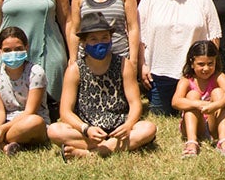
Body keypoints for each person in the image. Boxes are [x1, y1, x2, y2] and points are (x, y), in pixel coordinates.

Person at [48, 13, 157, 159]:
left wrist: (128, 125)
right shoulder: (75, 70)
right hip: (88, 129)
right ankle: (114, 147)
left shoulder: (124, 65)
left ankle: (89, 153)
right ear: (84, 42)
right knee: (54, 130)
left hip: (118, 128)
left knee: (148, 128)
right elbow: (66, 112)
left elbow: (135, 103)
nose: (100, 43)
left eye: (105, 37)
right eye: (93, 39)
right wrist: (86, 129)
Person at [139, 0, 221, 116]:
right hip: (160, 73)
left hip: (195, 74)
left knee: (196, 112)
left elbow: (214, 34)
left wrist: (210, 68)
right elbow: (140, 35)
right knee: (161, 113)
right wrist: (142, 65)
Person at [172, 40, 225, 157]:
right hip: (193, 126)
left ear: (216, 62)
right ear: (192, 63)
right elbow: (175, 101)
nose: (206, 68)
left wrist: (215, 105)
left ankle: (223, 141)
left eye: (210, 63)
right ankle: (192, 143)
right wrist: (198, 104)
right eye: (201, 64)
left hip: (213, 125)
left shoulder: (219, 76)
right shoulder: (186, 80)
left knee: (219, 92)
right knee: (192, 95)